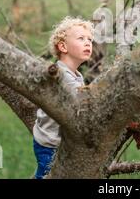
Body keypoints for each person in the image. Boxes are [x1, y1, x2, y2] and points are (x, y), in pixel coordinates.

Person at [32, 16, 94, 179]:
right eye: (81, 38)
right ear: (63, 46)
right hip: (50, 145)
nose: (88, 43)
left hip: (58, 142)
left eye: (90, 39)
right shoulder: (61, 75)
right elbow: (82, 102)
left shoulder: (77, 75)